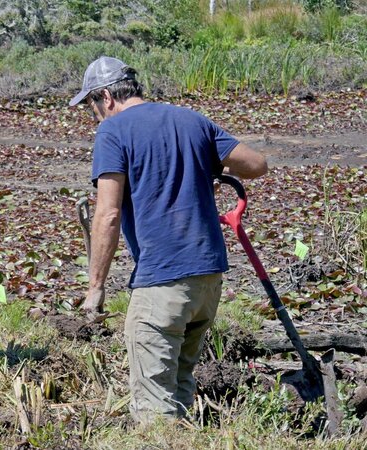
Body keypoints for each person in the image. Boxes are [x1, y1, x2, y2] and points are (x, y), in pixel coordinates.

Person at [69, 56, 267, 423]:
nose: (94, 116)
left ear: (106, 97)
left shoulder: (113, 132)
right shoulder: (192, 120)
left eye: (92, 106)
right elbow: (256, 164)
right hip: (207, 282)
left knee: (153, 413)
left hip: (162, 282)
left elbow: (108, 214)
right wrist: (210, 162)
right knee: (179, 389)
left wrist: (95, 287)